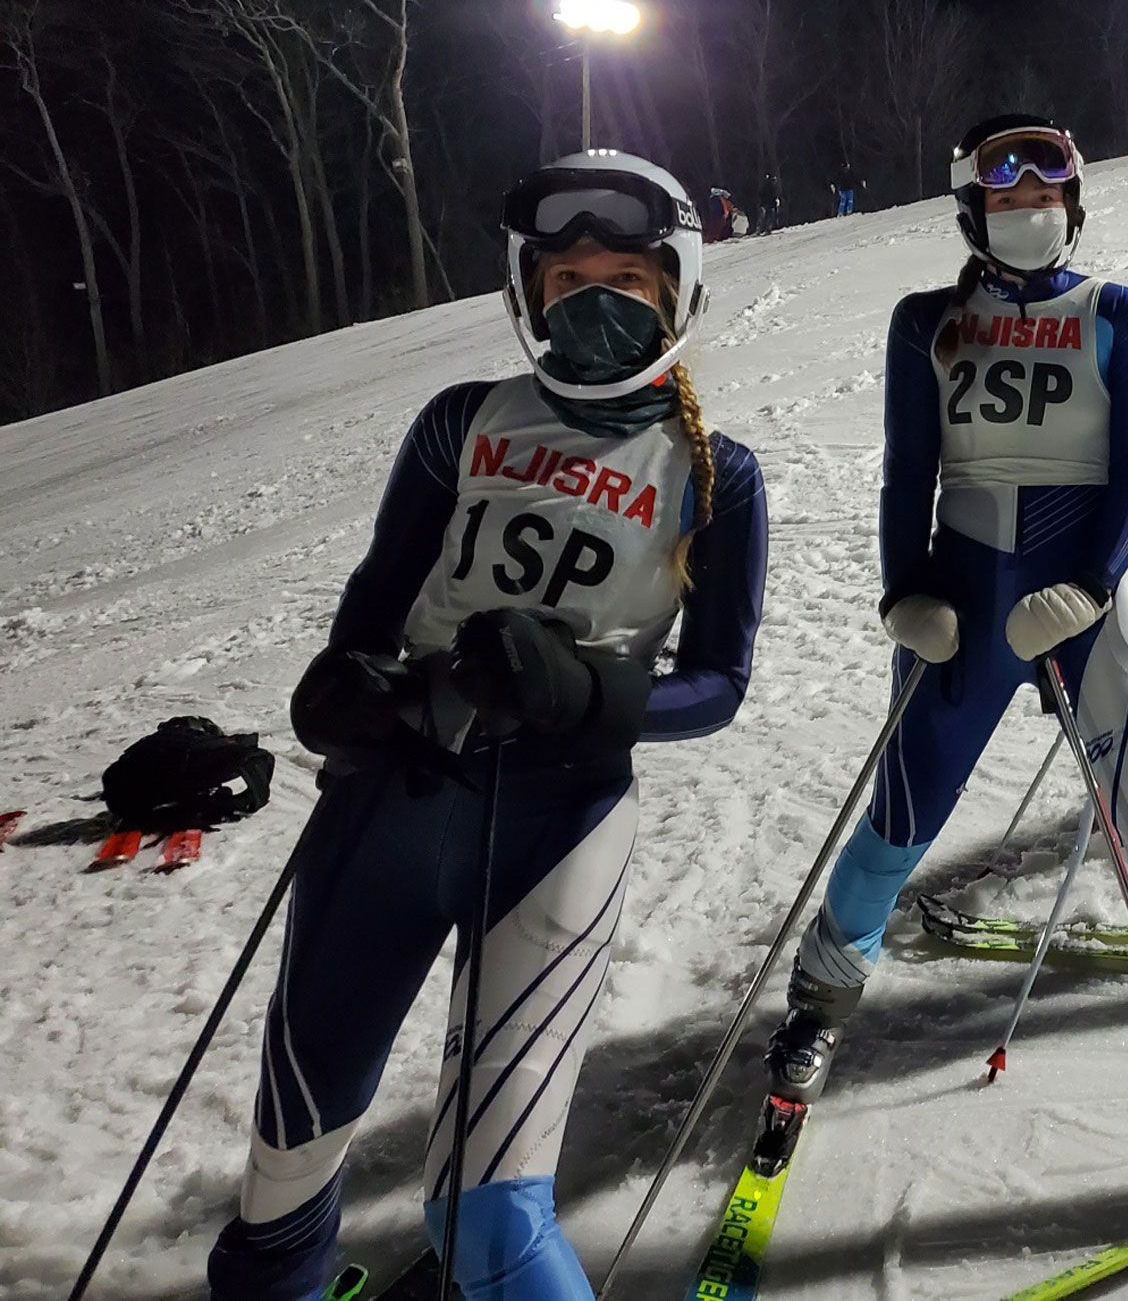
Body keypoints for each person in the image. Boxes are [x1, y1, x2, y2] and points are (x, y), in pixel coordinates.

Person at [206, 150, 768, 1300]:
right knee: (282, 1181)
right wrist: (340, 693)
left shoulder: (717, 474)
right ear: (527, 294)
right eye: (568, 281)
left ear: (677, 289)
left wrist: (588, 693)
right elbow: (371, 607)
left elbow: (717, 685)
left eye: (627, 278)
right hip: (391, 801)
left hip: (558, 823)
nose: (597, 301)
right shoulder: (460, 422)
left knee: (490, 1221)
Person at [765, 115, 1128, 1181]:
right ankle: (817, 1007)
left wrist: (1090, 580)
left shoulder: (1117, 313)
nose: (1029, 208)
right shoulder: (925, 321)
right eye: (1006, 195)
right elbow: (907, 469)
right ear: (972, 210)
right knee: (898, 820)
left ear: (1071, 206)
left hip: (1087, 598)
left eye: (1046, 194)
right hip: (958, 605)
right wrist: (904, 590)